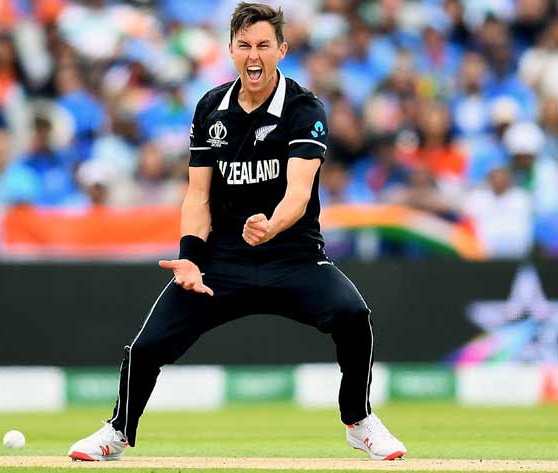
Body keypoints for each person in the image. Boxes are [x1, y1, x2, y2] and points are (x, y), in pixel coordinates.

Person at [67, 3, 406, 463]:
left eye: (264, 45)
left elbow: (299, 193)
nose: (254, 54)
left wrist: (271, 226)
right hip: (221, 262)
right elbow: (198, 197)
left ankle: (359, 421)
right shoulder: (210, 109)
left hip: (293, 257)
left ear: (281, 50)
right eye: (244, 44)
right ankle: (117, 432)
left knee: (353, 317)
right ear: (230, 49)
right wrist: (189, 256)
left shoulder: (304, 109)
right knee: (145, 348)